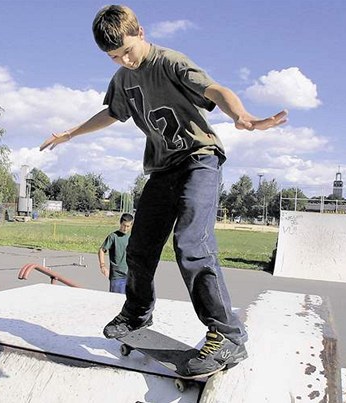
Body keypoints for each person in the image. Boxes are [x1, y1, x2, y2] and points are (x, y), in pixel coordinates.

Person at [39, 5, 287, 377]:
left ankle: (227, 334)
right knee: (139, 248)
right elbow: (111, 112)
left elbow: (215, 89)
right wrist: (71, 132)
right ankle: (136, 314)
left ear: (140, 31)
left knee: (191, 243)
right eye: (114, 57)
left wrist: (241, 115)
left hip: (199, 160)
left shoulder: (169, 61)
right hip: (161, 169)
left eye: (127, 50)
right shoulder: (123, 78)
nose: (124, 60)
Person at [98, 213, 134, 294]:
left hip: (130, 276)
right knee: (116, 302)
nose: (125, 228)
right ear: (120, 223)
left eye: (128, 226)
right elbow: (101, 250)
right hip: (117, 277)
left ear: (131, 225)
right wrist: (102, 266)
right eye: (124, 225)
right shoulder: (113, 236)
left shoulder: (132, 237)